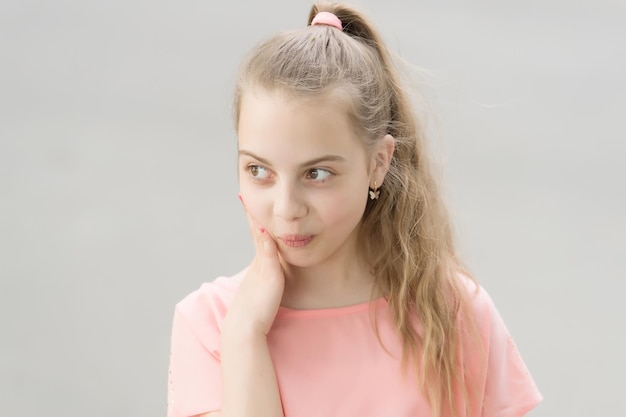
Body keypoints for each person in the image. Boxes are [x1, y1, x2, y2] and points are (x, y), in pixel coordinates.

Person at [166, 2, 542, 417]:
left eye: (318, 173)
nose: (286, 209)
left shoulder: (453, 311)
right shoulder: (209, 323)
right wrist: (244, 337)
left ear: (378, 163)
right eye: (259, 170)